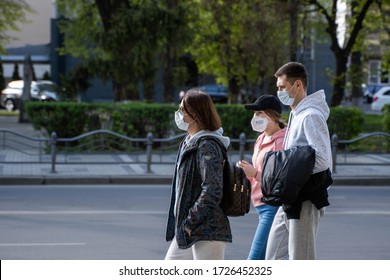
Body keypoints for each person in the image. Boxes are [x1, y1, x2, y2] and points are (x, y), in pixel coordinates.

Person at [265, 61, 332, 260]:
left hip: (305, 199)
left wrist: (287, 173)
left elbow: (322, 159)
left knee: (300, 261)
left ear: (298, 85)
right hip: (290, 198)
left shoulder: (310, 116)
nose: (279, 92)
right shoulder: (297, 114)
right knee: (274, 258)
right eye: (278, 88)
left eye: (282, 87)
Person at [165, 89, 232, 260]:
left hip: (207, 230)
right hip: (188, 228)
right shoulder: (189, 142)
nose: (178, 114)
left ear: (194, 114)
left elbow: (212, 189)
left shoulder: (207, 145)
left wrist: (189, 221)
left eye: (182, 110)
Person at [237, 95, 286, 260]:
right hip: (259, 204)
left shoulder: (282, 142)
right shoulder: (261, 138)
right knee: (267, 259)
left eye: (259, 114)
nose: (255, 118)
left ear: (273, 116)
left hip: (272, 206)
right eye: (254, 114)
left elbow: (281, 178)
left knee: (254, 259)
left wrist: (255, 174)